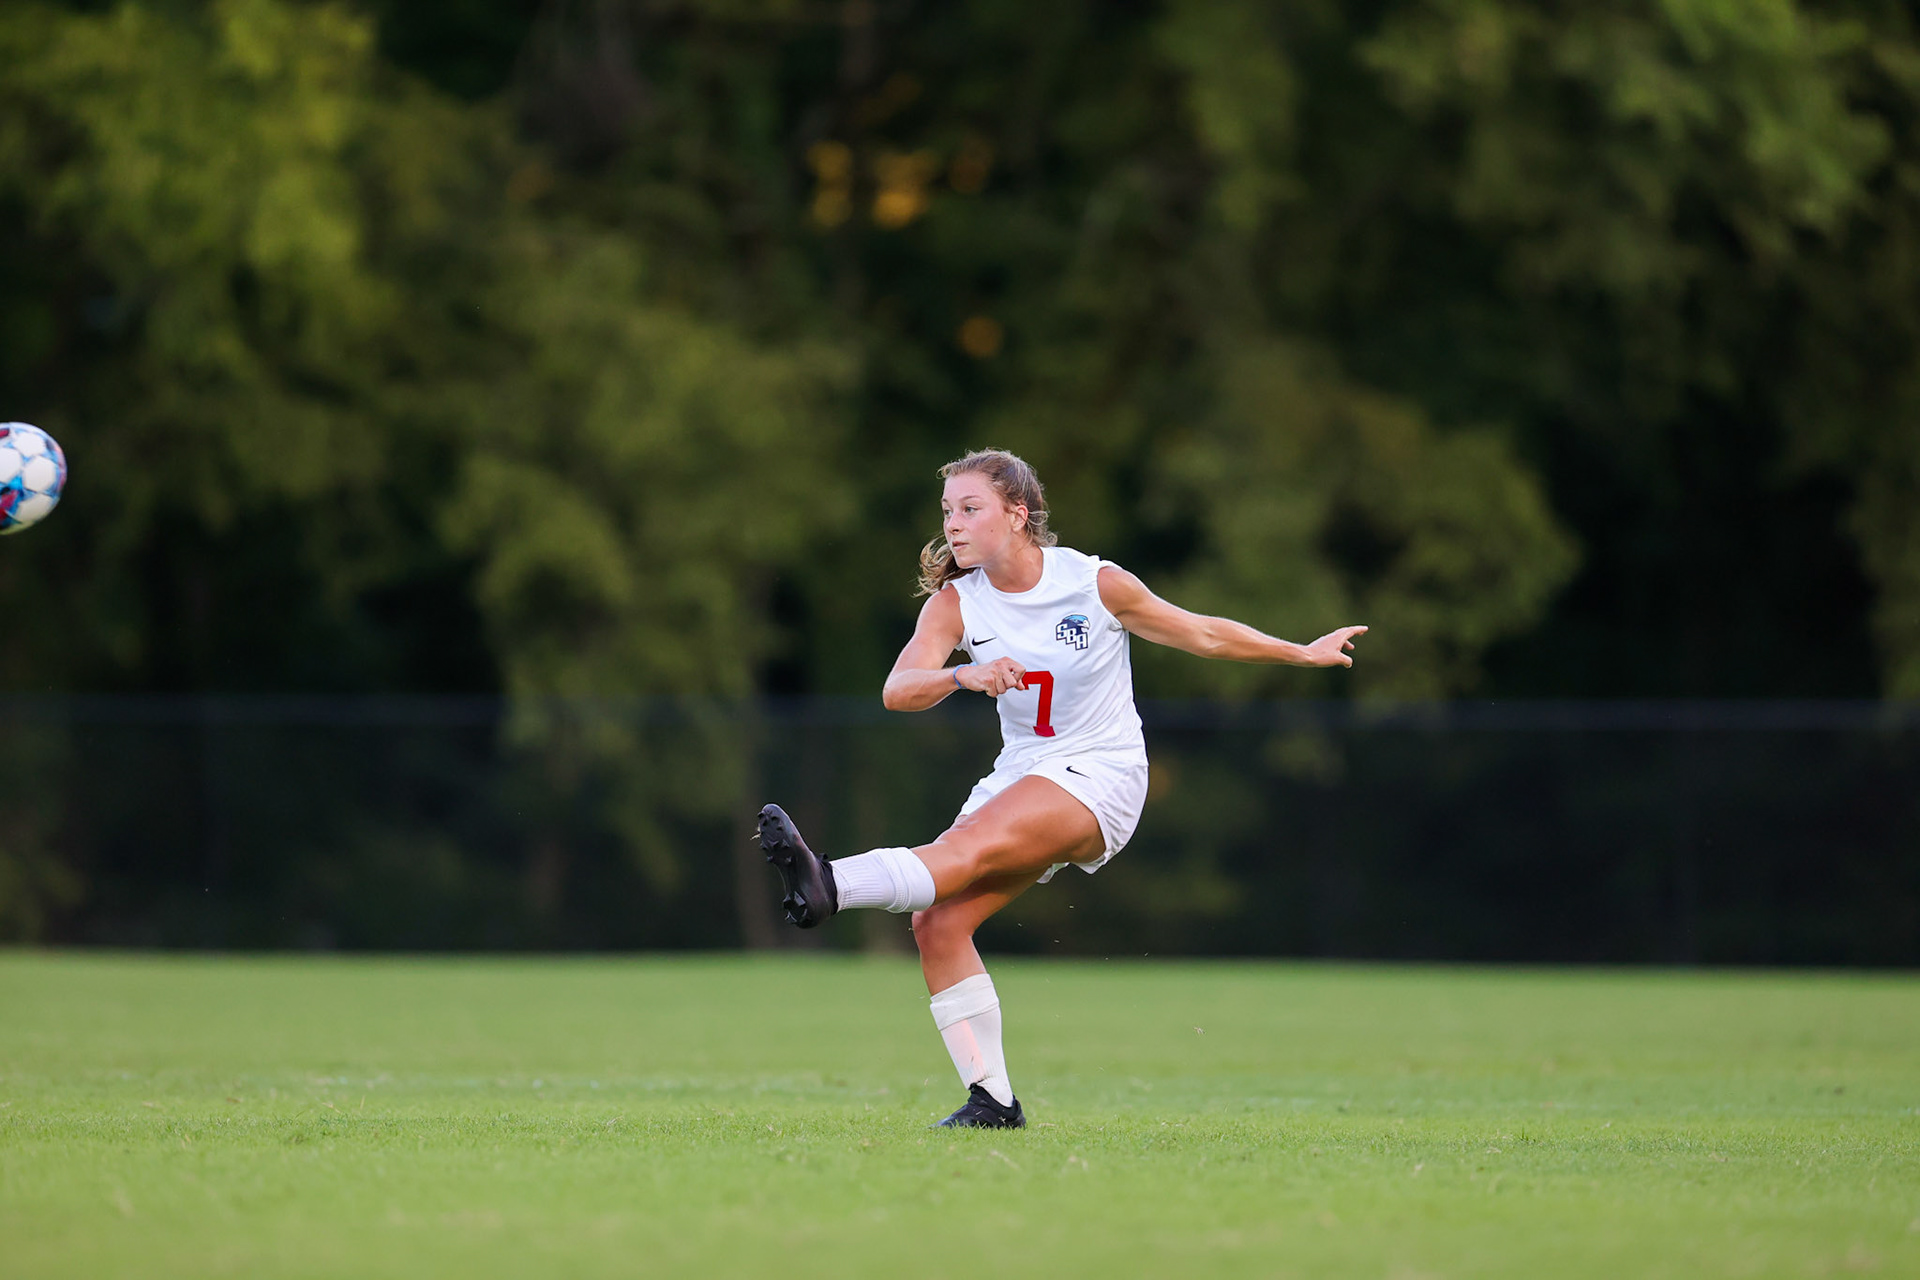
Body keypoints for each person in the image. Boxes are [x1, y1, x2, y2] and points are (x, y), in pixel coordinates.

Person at [758, 448, 1366, 1129]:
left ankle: (830, 884)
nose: (953, 524)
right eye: (948, 511)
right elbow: (898, 690)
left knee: (964, 851)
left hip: (1103, 771)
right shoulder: (957, 603)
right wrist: (962, 675)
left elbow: (1202, 634)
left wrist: (1300, 651)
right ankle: (993, 1101)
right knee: (938, 923)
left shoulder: (1093, 583)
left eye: (970, 509)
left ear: (1018, 515)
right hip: (1024, 771)